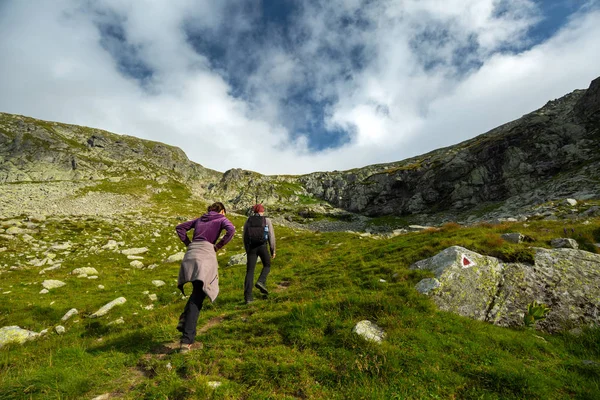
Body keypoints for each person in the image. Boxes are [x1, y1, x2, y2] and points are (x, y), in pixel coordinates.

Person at [175, 201, 235, 353]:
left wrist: (189, 244)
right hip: (205, 255)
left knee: (196, 291)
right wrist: (217, 246)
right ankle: (186, 341)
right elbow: (231, 230)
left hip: (191, 254)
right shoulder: (221, 219)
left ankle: (184, 318)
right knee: (199, 295)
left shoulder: (200, 219)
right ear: (222, 211)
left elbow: (180, 227)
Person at [243, 204, 276, 304]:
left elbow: (244, 235)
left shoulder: (248, 220)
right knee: (267, 265)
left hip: (251, 248)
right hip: (262, 246)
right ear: (262, 211)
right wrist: (272, 250)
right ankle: (261, 281)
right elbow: (271, 235)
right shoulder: (267, 220)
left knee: (250, 271)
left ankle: (248, 297)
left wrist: (247, 249)